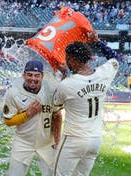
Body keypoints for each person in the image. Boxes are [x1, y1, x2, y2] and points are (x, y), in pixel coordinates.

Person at [53, 30, 120, 176]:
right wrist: (97, 42)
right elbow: (114, 58)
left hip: (74, 140)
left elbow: (55, 106)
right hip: (95, 140)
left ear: (71, 60)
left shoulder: (66, 85)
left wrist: (64, 74)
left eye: (67, 58)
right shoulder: (103, 74)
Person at [3, 60, 63, 176]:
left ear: (42, 76)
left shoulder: (50, 91)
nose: (33, 79)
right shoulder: (14, 93)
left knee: (54, 174)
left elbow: (57, 115)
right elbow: (8, 121)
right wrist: (27, 114)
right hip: (23, 142)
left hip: (47, 142)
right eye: (29, 75)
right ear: (23, 75)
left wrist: (57, 140)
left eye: (37, 75)